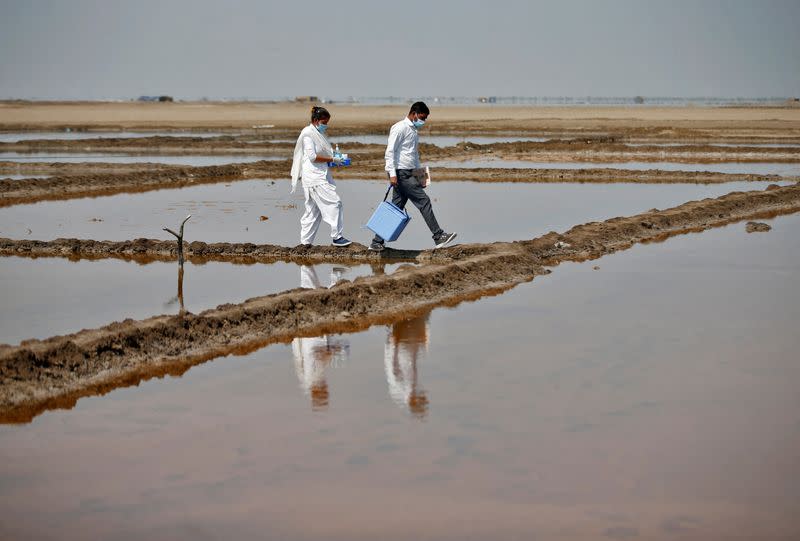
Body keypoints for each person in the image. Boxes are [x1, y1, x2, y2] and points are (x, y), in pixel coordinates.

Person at [369, 101, 456, 252]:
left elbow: (414, 155)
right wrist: (392, 174)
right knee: (424, 201)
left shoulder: (414, 131)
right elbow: (389, 152)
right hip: (401, 173)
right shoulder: (399, 128)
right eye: (422, 117)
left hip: (409, 173)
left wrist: (421, 177)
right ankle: (438, 236)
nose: (423, 121)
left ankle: (376, 242)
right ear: (414, 113)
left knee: (396, 208)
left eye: (425, 118)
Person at [290, 106, 351, 247]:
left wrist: (334, 161)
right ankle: (337, 237)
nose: (326, 125)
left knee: (313, 212)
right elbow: (312, 157)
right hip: (314, 178)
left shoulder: (318, 133)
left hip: (317, 176)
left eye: (327, 122)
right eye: (324, 122)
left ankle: (305, 243)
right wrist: (332, 160)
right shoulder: (308, 134)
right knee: (335, 203)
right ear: (316, 120)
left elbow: (322, 154)